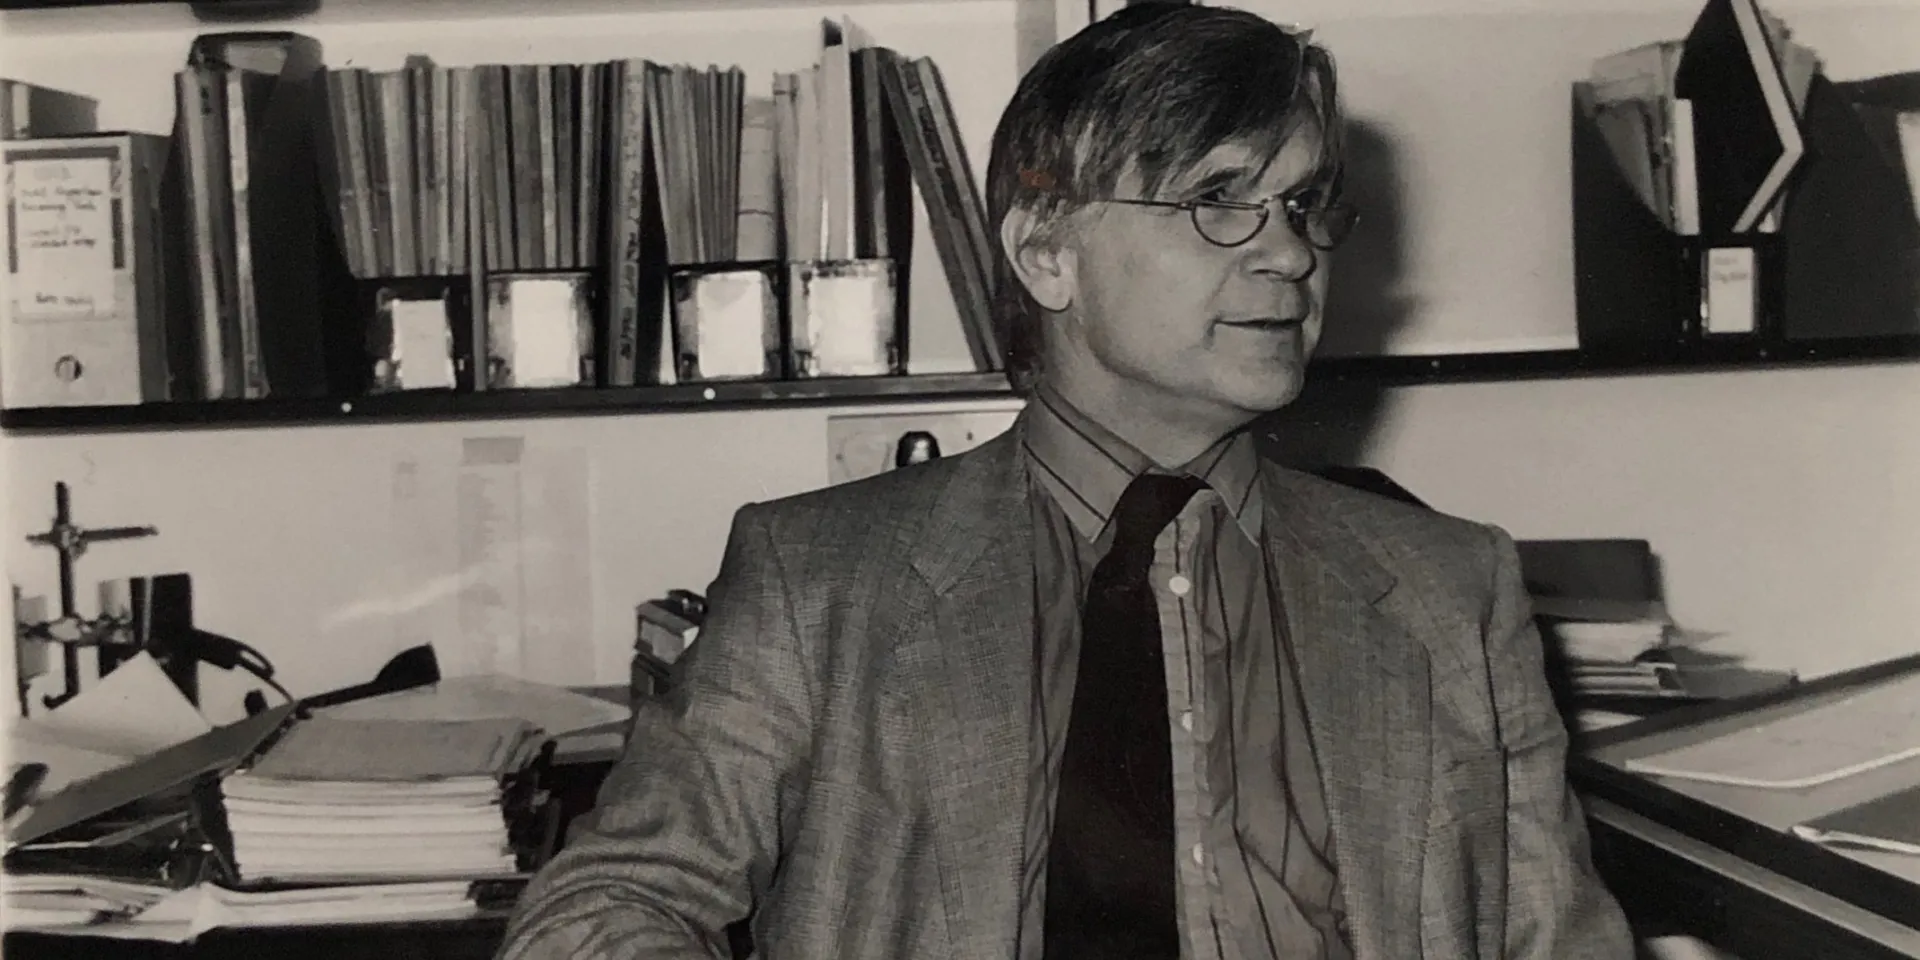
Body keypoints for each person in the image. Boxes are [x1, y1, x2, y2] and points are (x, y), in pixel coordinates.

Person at [497, 5, 1636, 959]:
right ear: (1047, 252)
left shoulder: (1450, 587)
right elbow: (603, 910)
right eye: (1218, 199)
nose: (1290, 252)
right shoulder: (818, 581)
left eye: (1301, 205)